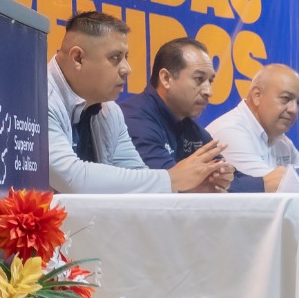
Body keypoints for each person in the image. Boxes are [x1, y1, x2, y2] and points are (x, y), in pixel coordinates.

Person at [48, 11, 229, 194]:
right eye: (115, 58)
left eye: (126, 57)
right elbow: (72, 179)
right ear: (78, 58)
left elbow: (137, 177)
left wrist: (191, 187)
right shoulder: (37, 98)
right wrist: (171, 180)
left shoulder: (111, 111)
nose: (127, 69)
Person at [120, 37, 260, 193]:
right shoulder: (133, 120)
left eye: (210, 81)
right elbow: (171, 182)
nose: (209, 91)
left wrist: (225, 177)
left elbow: (232, 180)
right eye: (199, 79)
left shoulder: (189, 126)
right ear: (166, 78)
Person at [206, 65, 299, 192]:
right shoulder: (230, 131)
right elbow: (272, 188)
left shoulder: (282, 141)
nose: (294, 109)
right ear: (257, 95)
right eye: (285, 98)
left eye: (298, 103)